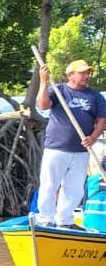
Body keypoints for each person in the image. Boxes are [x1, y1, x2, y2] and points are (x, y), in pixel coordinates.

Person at [35, 60, 106, 229]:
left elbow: (102, 120)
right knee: (50, 184)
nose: (86, 76)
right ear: (70, 75)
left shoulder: (95, 96)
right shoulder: (58, 90)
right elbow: (43, 105)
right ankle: (45, 218)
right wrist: (43, 82)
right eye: (82, 73)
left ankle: (65, 220)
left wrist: (93, 137)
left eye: (88, 73)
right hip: (56, 147)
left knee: (74, 187)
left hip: (81, 150)